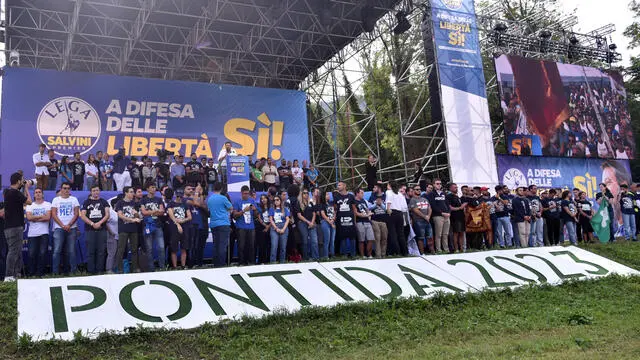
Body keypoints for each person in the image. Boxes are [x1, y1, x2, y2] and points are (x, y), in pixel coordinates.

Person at [3, 173, 32, 281]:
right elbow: (29, 201)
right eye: (22, 180)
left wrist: (23, 188)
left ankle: (16, 275)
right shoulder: (15, 193)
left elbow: (22, 200)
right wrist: (27, 188)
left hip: (9, 227)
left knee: (16, 252)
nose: (23, 182)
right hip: (15, 227)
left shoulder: (7, 192)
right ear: (18, 181)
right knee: (14, 252)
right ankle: (9, 276)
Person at [79, 184, 110, 274]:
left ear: (99, 191)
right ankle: (91, 271)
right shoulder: (86, 202)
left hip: (102, 229)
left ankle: (100, 270)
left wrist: (99, 223)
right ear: (91, 192)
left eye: (97, 190)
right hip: (90, 230)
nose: (96, 192)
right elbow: (83, 216)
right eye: (94, 190)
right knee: (90, 251)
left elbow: (107, 214)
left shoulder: (104, 202)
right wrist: (92, 224)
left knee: (101, 251)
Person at [51, 182, 79, 275]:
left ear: (70, 190)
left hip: (72, 228)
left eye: (68, 188)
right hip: (59, 228)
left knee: (71, 251)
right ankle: (55, 273)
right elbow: (54, 214)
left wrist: (69, 225)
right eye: (64, 188)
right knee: (57, 251)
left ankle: (73, 272)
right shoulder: (56, 200)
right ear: (61, 189)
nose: (66, 190)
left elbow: (76, 214)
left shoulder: (74, 199)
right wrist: (63, 225)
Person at [115, 186, 142, 273]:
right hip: (123, 228)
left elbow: (139, 217)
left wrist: (136, 214)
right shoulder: (120, 203)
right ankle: (120, 269)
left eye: (133, 192)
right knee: (121, 249)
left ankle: (135, 268)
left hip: (133, 229)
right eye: (131, 192)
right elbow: (120, 215)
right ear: (126, 193)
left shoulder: (134, 203)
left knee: (134, 249)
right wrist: (132, 219)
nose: (132, 193)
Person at [140, 182, 165, 271]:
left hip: (158, 225)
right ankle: (151, 268)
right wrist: (155, 211)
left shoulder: (159, 199)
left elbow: (162, 212)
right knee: (149, 248)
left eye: (155, 187)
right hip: (147, 226)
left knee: (161, 247)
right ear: (147, 189)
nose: (154, 189)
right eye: (152, 187)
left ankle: (162, 267)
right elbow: (143, 212)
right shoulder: (143, 200)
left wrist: (150, 212)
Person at [25, 187, 50, 277]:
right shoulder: (30, 205)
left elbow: (47, 218)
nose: (38, 193)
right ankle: (31, 273)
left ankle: (40, 273)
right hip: (32, 233)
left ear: (42, 194)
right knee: (31, 254)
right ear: (34, 195)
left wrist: (35, 218)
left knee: (42, 253)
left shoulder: (48, 204)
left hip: (44, 233)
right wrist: (41, 216)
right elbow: (29, 218)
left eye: (40, 192)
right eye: (36, 192)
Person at [208, 182, 233, 267]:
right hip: (223, 223)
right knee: (222, 246)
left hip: (213, 224)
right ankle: (221, 265)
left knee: (216, 245)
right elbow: (231, 208)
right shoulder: (223, 198)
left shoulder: (210, 198)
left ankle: (216, 264)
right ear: (221, 189)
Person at [166, 189, 192, 269]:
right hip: (174, 227)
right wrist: (177, 224)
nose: (179, 198)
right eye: (178, 196)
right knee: (174, 248)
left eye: (180, 196)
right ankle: (175, 266)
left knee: (184, 248)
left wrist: (183, 220)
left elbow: (189, 216)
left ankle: (183, 265)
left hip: (184, 226)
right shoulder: (171, 204)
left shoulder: (185, 204)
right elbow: (171, 215)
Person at [233, 185, 257, 265]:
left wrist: (255, 210)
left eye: (247, 193)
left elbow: (257, 215)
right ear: (241, 193)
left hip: (251, 227)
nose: (246, 195)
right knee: (241, 246)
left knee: (251, 246)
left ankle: (251, 262)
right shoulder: (237, 202)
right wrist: (243, 211)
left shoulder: (252, 201)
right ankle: (242, 263)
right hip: (241, 227)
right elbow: (234, 215)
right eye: (244, 193)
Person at [186, 184, 208, 268]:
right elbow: (195, 203)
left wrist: (201, 195)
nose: (191, 190)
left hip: (202, 226)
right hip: (191, 226)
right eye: (189, 189)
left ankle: (199, 264)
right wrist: (196, 192)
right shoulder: (186, 199)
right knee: (192, 246)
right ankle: (191, 264)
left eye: (192, 189)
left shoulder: (201, 199)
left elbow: (203, 206)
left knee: (200, 246)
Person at [426, 179, 450, 253]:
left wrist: (449, 212)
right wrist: (442, 213)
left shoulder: (443, 193)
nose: (439, 185)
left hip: (447, 216)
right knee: (438, 234)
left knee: (445, 234)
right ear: (433, 184)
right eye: (437, 183)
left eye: (440, 183)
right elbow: (433, 205)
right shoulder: (431, 194)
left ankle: (446, 249)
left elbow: (447, 204)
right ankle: (439, 249)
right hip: (437, 216)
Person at [334, 181, 357, 257]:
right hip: (340, 220)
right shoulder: (336, 196)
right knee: (342, 237)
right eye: (338, 185)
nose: (338, 187)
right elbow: (335, 209)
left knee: (352, 237)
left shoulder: (351, 196)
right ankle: (344, 254)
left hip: (350, 219)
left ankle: (353, 254)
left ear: (344, 186)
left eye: (339, 185)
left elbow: (354, 209)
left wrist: (355, 220)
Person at [385, 181, 408, 256]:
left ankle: (397, 251)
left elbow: (389, 201)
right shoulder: (400, 194)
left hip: (392, 212)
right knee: (401, 234)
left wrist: (388, 209)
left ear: (390, 185)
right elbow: (404, 206)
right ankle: (404, 251)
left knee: (393, 233)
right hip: (400, 213)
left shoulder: (389, 192)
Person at [296, 188, 319, 260]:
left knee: (314, 240)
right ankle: (306, 258)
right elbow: (299, 215)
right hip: (302, 223)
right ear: (301, 194)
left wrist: (312, 222)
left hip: (312, 222)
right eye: (304, 193)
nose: (306, 194)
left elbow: (314, 213)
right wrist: (308, 222)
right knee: (305, 241)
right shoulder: (298, 203)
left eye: (307, 193)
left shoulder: (311, 203)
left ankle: (315, 257)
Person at [410, 185, 433, 254]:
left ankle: (432, 252)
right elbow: (415, 210)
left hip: (427, 220)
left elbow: (429, 208)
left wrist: (428, 216)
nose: (419, 190)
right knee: (421, 238)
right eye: (417, 189)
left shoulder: (425, 199)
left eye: (419, 189)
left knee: (430, 237)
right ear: (413, 191)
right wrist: (424, 216)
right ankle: (422, 253)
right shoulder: (413, 200)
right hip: (418, 221)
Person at [354, 188, 375, 258]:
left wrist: (369, 213)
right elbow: (356, 213)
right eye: (361, 193)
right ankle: (362, 255)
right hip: (359, 222)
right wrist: (365, 215)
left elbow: (367, 209)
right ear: (357, 193)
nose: (363, 194)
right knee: (361, 240)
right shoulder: (354, 201)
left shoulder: (363, 201)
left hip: (367, 221)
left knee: (371, 238)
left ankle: (369, 254)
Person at [269, 195, 290, 263]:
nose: (276, 201)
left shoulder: (285, 209)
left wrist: (283, 229)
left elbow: (287, 219)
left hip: (284, 227)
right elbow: (271, 220)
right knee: (274, 246)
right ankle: (273, 263)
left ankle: (282, 263)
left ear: (280, 201)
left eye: (277, 200)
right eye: (274, 200)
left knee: (283, 247)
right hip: (275, 228)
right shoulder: (271, 209)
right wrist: (276, 228)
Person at [446, 183, 466, 253]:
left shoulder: (457, 197)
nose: (456, 189)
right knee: (456, 233)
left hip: (461, 217)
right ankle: (456, 248)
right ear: (450, 188)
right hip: (455, 217)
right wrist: (460, 208)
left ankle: (461, 248)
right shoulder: (449, 196)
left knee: (461, 233)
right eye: (454, 187)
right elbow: (450, 207)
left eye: (457, 187)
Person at [319, 190, 336, 259]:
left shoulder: (331, 203)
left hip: (332, 222)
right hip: (325, 222)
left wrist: (333, 220)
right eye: (327, 194)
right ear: (323, 196)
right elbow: (323, 214)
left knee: (332, 240)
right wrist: (329, 221)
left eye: (329, 194)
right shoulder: (322, 204)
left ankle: (332, 254)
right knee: (327, 240)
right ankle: (326, 255)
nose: (328, 196)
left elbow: (335, 212)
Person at [255, 194, 272, 264]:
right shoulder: (259, 208)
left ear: (267, 199)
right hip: (261, 227)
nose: (263, 200)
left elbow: (273, 218)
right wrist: (265, 226)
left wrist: (268, 227)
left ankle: (268, 260)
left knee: (269, 245)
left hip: (271, 226)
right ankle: (261, 261)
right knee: (262, 245)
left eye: (265, 198)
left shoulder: (271, 207)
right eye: (262, 198)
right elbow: (259, 218)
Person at [105, 198, 119, 273]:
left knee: (117, 253)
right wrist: (111, 232)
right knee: (111, 252)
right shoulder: (110, 212)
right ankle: (109, 269)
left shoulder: (120, 211)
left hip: (119, 234)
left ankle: (115, 268)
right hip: (112, 234)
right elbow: (106, 223)